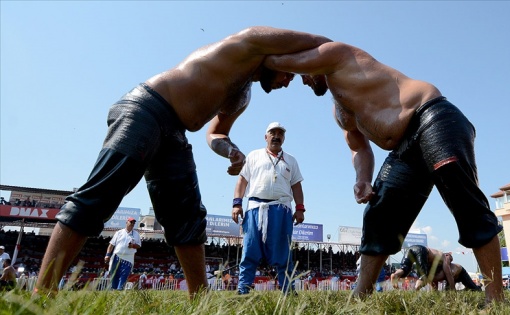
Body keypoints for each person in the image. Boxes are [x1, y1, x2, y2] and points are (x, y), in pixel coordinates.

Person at [34, 26, 331, 297]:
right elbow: (320, 42)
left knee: (187, 216)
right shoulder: (247, 44)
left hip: (174, 131)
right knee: (98, 198)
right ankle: (43, 293)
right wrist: (315, 70)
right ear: (281, 57)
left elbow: (215, 133)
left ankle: (199, 299)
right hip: (146, 109)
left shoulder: (241, 96)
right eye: (290, 72)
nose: (289, 81)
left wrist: (230, 150)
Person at [264, 41, 504, 303]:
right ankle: (360, 296)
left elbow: (288, 56)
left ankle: (495, 298)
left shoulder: (340, 57)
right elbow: (359, 149)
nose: (303, 82)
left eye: (303, 75)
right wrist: (363, 179)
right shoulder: (339, 110)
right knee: (379, 212)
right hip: (404, 146)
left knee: (464, 201)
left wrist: (258, 59)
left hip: (433, 116)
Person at [232, 122, 305, 295]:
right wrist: (236, 203)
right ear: (266, 136)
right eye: (273, 132)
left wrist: (300, 208)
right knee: (250, 250)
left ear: (284, 138)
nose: (276, 136)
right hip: (255, 208)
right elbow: (242, 181)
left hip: (281, 209)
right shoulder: (253, 156)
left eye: (280, 133)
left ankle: (288, 291)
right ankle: (243, 291)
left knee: (283, 252)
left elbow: (296, 186)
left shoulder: (291, 160)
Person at [104, 217, 142, 290]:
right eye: (131, 222)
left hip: (128, 258)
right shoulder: (119, 233)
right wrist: (107, 255)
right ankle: (114, 289)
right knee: (114, 274)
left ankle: (120, 290)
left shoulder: (136, 234)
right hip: (117, 256)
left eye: (134, 223)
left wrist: (133, 246)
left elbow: (139, 245)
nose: (132, 224)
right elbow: (111, 245)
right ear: (126, 222)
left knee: (124, 274)